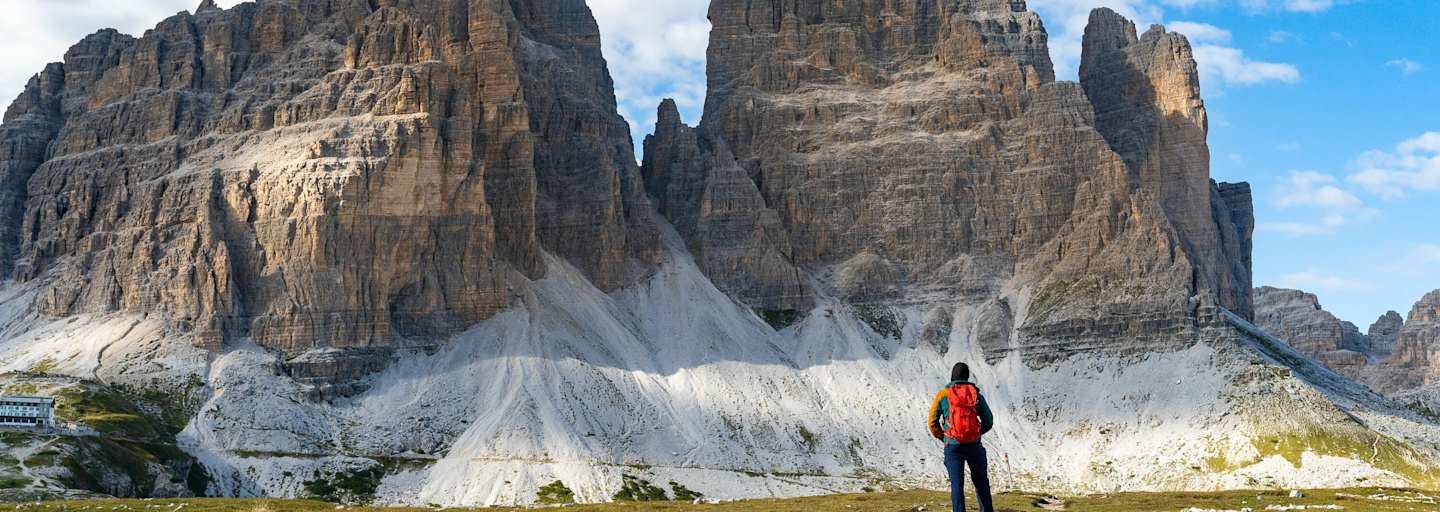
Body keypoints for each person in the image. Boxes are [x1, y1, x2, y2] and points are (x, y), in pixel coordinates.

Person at [928, 362, 994, 512]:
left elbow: (932, 421)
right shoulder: (975, 394)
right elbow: (989, 420)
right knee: (981, 482)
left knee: (957, 484)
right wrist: (975, 434)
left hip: (953, 445)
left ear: (952, 376)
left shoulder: (943, 395)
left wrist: (944, 437)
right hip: (974, 445)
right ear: (967, 376)